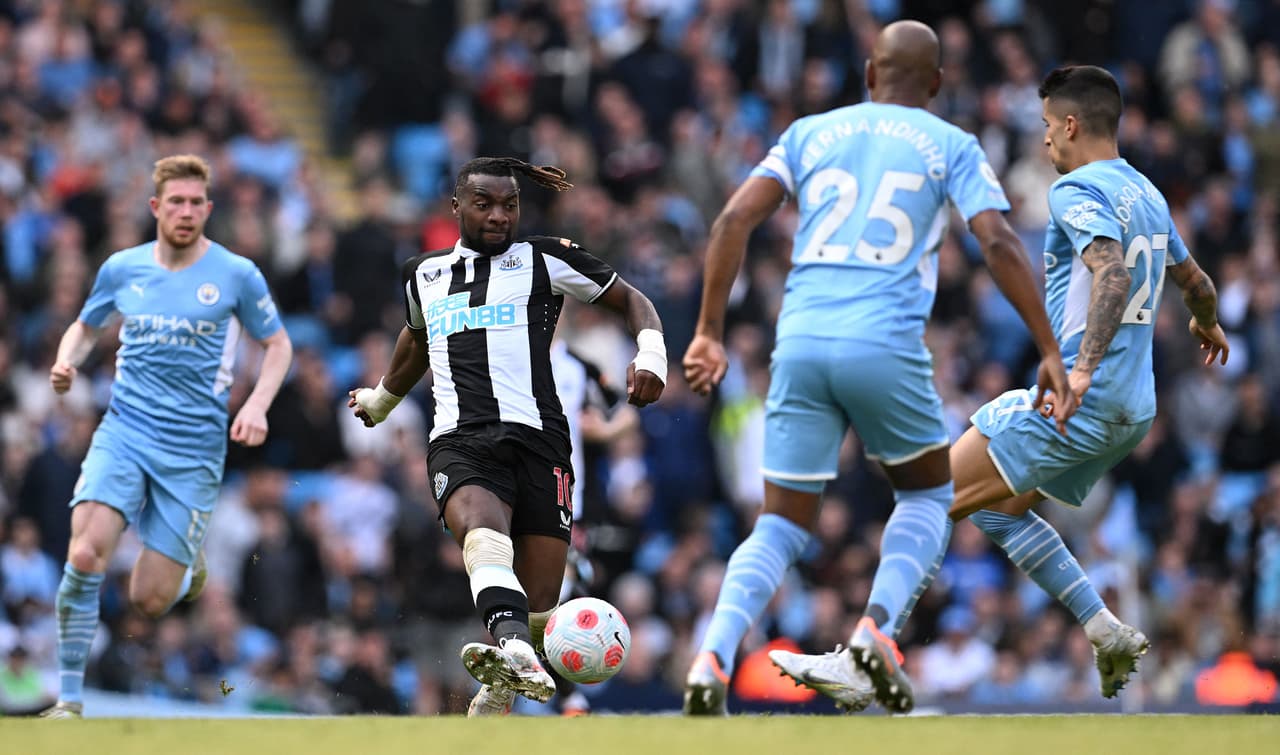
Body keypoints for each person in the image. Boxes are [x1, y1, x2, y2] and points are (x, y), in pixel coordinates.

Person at [773, 64, 1230, 711]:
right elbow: (1198, 284)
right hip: (1134, 409)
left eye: (1046, 125)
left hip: (1086, 397)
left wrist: (1080, 370)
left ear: (1070, 124)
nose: (1043, 139)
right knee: (994, 509)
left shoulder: (1076, 190)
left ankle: (863, 658)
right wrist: (1207, 322)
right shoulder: (1149, 194)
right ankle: (1105, 629)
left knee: (927, 496)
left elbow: (1111, 274)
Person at [680, 20, 1075, 716]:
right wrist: (1048, 346)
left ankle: (712, 654)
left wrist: (709, 332)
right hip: (884, 342)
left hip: (799, 341)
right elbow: (998, 241)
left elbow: (732, 221)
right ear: (938, 83)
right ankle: (876, 629)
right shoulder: (952, 143)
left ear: (869, 74)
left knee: (779, 524)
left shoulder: (808, 133)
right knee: (927, 497)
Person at [347, 157, 666, 717]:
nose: (498, 215)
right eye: (484, 204)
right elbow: (416, 339)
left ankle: (504, 678)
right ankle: (514, 649)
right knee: (482, 531)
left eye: (509, 205)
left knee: (540, 603)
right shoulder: (423, 274)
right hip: (461, 438)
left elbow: (631, 299)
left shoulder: (546, 259)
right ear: (457, 207)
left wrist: (652, 354)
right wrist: (382, 399)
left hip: (542, 442)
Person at [41, 155, 293, 718]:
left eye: (195, 202)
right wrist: (67, 359)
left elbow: (278, 345)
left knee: (148, 599)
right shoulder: (122, 268)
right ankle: (68, 700)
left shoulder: (236, 274)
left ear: (208, 208)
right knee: (84, 552)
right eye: (175, 201)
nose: (186, 211)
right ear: (156, 207)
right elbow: (85, 325)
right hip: (125, 432)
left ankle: (186, 572)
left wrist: (256, 404)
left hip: (194, 451)